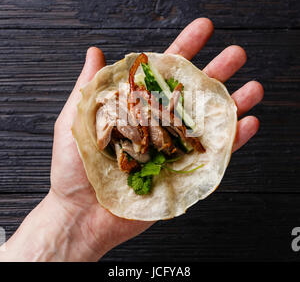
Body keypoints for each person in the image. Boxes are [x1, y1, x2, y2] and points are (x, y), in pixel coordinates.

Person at [0, 18, 264, 261]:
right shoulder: (115, 119)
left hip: (159, 115)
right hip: (128, 119)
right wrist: (69, 209)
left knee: (161, 127)